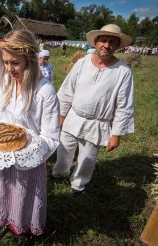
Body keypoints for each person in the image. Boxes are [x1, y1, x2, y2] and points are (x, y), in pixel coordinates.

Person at [0, 30, 60, 245]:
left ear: (30, 59)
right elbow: (0, 114)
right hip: (3, 154)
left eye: (15, 63)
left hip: (29, 158)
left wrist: (25, 152)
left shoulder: (45, 91)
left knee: (26, 194)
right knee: (3, 189)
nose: (9, 69)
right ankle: (5, 221)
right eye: (6, 63)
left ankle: (27, 229)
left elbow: (50, 137)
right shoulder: (7, 81)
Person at [52, 24, 134, 195]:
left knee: (87, 158)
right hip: (73, 117)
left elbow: (124, 105)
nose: (106, 45)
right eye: (103, 40)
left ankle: (78, 185)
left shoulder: (123, 71)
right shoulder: (82, 63)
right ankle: (60, 174)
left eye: (112, 42)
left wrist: (116, 134)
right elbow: (67, 90)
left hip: (97, 123)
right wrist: (61, 114)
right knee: (64, 149)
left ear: (117, 46)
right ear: (96, 43)